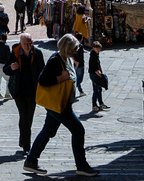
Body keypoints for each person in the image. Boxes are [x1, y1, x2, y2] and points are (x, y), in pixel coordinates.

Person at [23, 33, 99, 176]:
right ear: (66, 49)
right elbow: (43, 80)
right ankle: (81, 165)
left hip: (60, 103)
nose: (75, 51)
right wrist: (60, 78)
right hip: (57, 104)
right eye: (73, 49)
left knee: (48, 131)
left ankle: (31, 161)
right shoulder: (54, 60)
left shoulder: (66, 59)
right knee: (78, 130)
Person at [3, 33, 45, 158]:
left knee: (29, 117)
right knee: (24, 116)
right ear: (21, 44)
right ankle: (27, 146)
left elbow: (42, 70)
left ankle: (23, 140)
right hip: (19, 91)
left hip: (33, 91)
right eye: (25, 43)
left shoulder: (37, 53)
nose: (28, 46)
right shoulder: (15, 53)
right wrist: (11, 67)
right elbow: (5, 69)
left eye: (30, 42)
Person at [88, 41, 108, 112]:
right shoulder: (93, 56)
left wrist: (102, 72)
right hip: (94, 75)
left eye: (99, 48)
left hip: (96, 74)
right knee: (96, 90)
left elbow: (99, 64)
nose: (99, 50)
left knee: (99, 90)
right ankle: (94, 105)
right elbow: (95, 69)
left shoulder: (96, 54)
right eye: (97, 48)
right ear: (93, 48)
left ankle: (101, 103)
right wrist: (101, 76)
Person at [0, 32, 11, 98]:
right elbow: (9, 57)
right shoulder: (6, 46)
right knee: (8, 80)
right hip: (4, 65)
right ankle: (7, 94)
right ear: (6, 39)